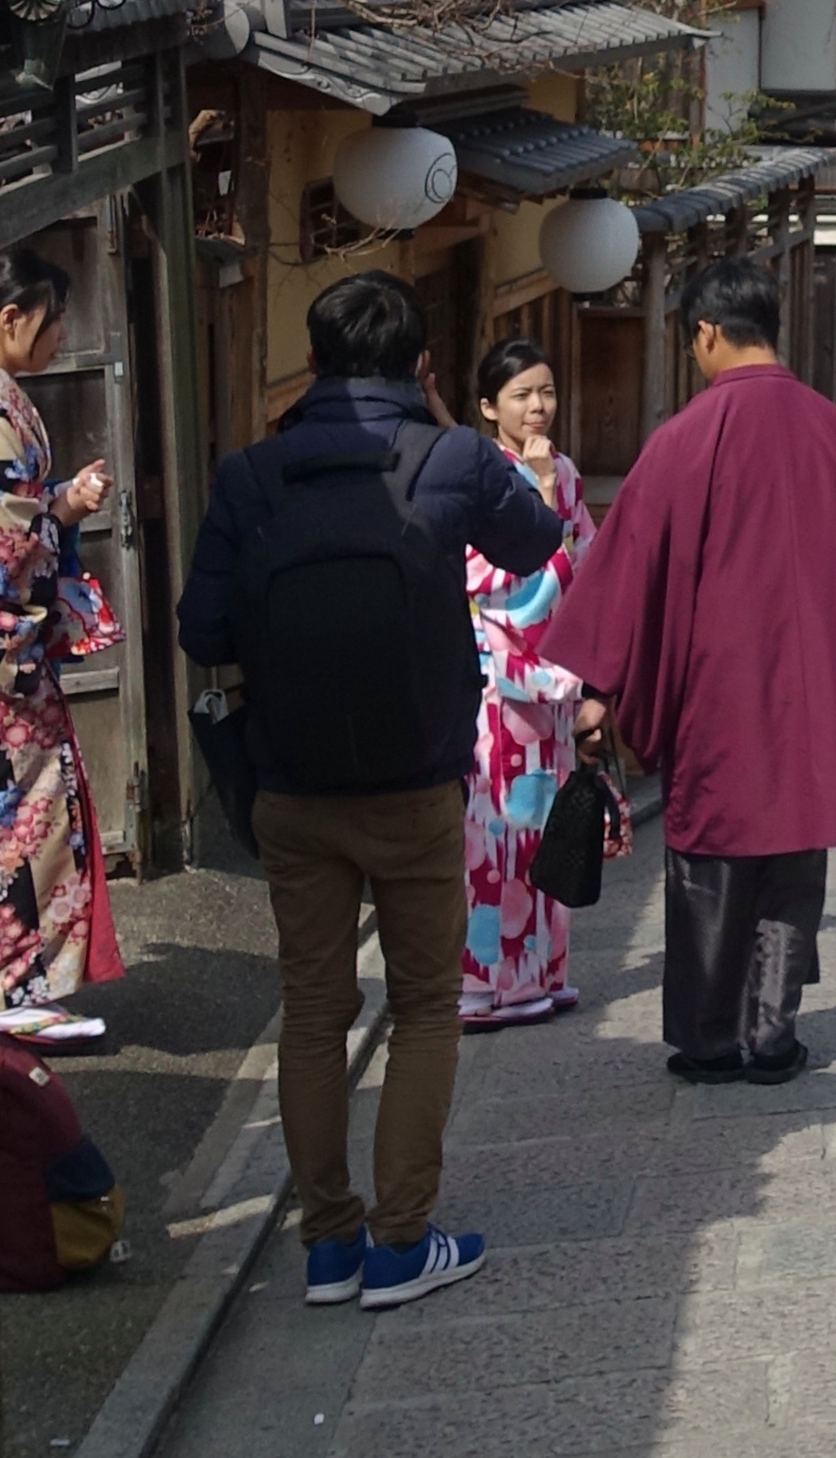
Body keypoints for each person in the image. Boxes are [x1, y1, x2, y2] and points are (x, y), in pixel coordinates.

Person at [179, 269, 563, 1313]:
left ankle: (329, 1243)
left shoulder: (252, 474)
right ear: (424, 366)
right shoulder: (450, 454)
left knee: (313, 1010)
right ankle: (403, 1241)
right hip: (416, 784)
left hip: (291, 785)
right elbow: (536, 539)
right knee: (427, 1003)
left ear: (312, 359)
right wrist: (455, 429)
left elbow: (201, 630)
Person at [541, 255, 836, 1088]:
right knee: (793, 863)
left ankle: (711, 1040)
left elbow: (629, 568)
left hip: (715, 695)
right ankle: (773, 1037)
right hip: (815, 694)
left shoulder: (684, 441)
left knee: (710, 863)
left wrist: (600, 689)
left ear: (707, 333)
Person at [0, 247, 123, 1045]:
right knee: (11, 821)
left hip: (0, 646)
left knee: (29, 811)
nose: (62, 333)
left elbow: (14, 523)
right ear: (9, 317)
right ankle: (6, 990)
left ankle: (19, 986)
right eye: (53, 319)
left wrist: (56, 505)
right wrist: (54, 519)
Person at [460, 337, 597, 1029]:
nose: (538, 406)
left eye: (545, 391)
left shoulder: (565, 470)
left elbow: (587, 564)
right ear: (489, 407)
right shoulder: (483, 478)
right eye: (521, 395)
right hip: (501, 677)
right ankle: (489, 985)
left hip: (556, 678)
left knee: (550, 826)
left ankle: (543, 968)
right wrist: (541, 500)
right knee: (500, 831)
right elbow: (494, 584)